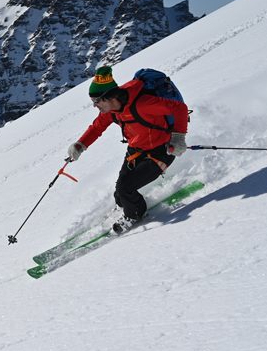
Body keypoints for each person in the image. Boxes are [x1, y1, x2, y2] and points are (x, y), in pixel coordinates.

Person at [65, 66, 189, 233]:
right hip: (136, 149)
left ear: (109, 97)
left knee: (125, 188)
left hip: (161, 151)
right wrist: (80, 145)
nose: (95, 106)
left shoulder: (143, 104)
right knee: (120, 193)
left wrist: (178, 137)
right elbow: (96, 128)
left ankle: (134, 216)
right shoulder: (112, 109)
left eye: (96, 101)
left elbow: (179, 109)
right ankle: (128, 207)